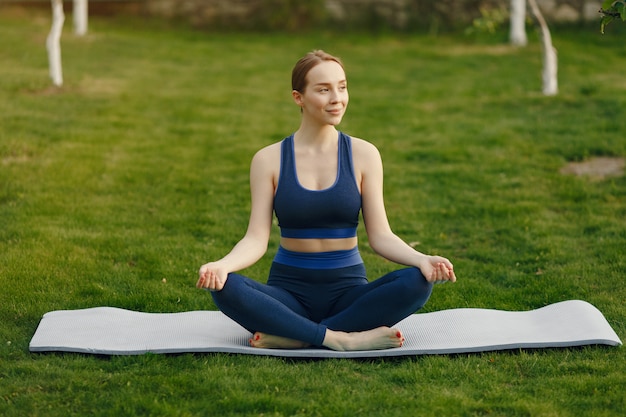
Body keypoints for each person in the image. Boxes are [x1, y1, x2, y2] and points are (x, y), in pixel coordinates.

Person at [197, 50, 456, 351]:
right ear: (299, 97)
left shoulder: (364, 155)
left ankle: (294, 335)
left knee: (417, 282)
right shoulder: (268, 160)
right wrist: (222, 265)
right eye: (323, 89)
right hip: (289, 294)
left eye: (342, 87)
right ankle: (341, 339)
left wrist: (422, 260)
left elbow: (381, 236)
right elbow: (256, 239)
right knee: (226, 287)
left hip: (348, 294)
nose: (337, 98)